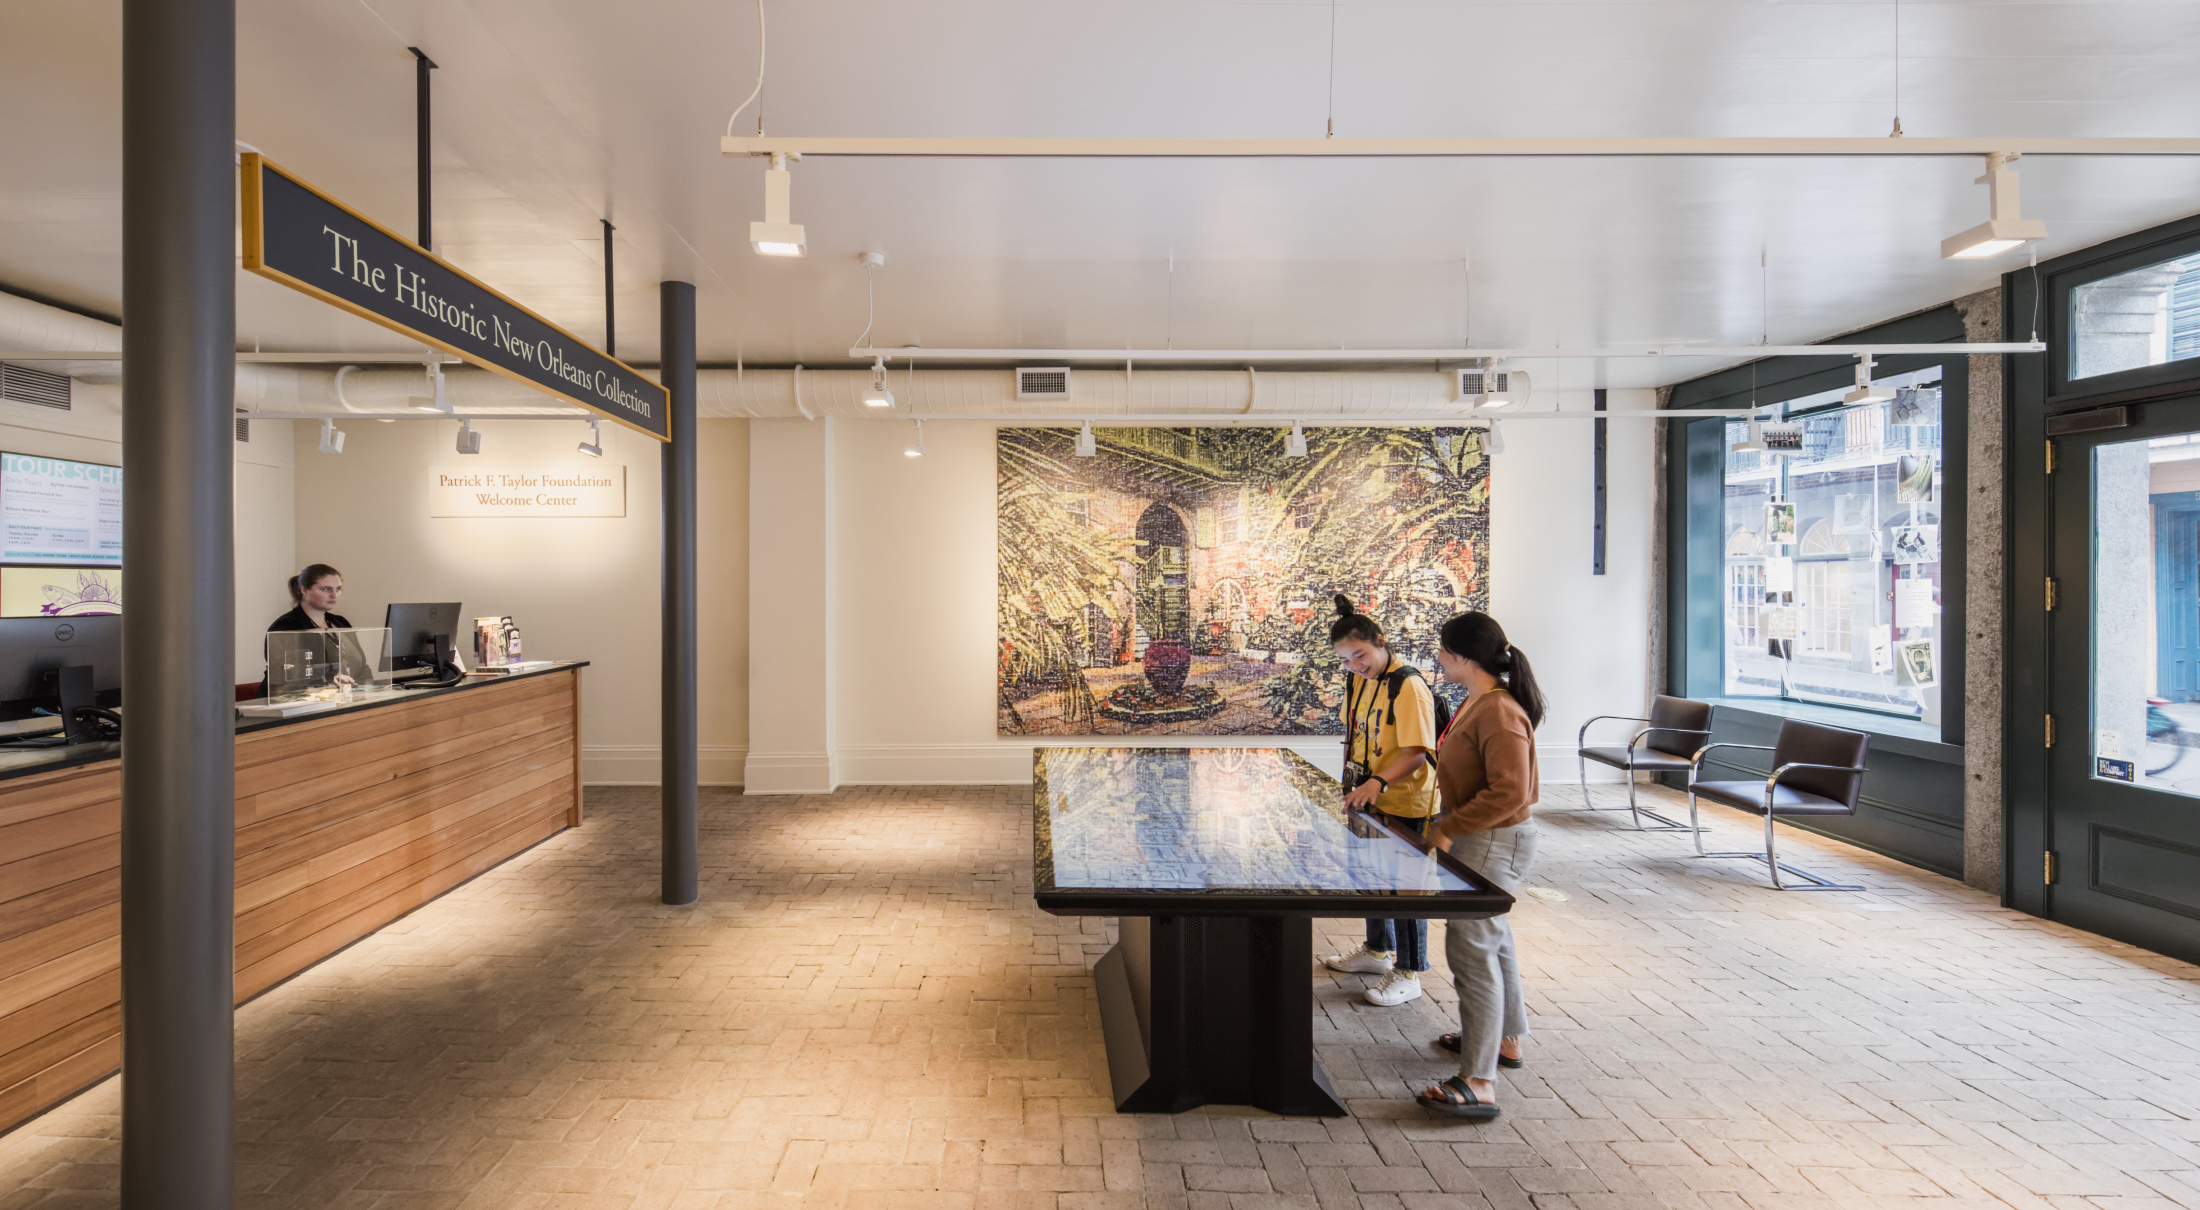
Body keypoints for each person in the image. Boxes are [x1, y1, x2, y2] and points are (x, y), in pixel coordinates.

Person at [1415, 610, 1545, 1121]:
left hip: (1492, 838)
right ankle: (1504, 1039)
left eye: (1443, 650)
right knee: (1494, 939)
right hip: (1484, 835)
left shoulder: (1498, 710)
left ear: (1462, 656)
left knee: (1472, 951)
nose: (1438, 657)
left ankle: (1478, 1081)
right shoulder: (1480, 701)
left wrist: (1449, 827)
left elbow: (1511, 790)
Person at [1318, 594, 1441, 1007]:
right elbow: (1355, 734)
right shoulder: (1358, 680)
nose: (1355, 665)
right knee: (1371, 877)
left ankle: (1409, 971)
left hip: (1406, 800)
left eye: (1361, 655)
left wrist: (1378, 783)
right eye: (1346, 660)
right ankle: (1376, 951)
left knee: (1405, 887)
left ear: (1380, 641)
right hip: (1367, 795)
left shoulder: (1409, 686)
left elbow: (1416, 754)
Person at [269, 563, 351, 633]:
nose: (334, 595)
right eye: (326, 589)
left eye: (338, 589)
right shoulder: (285, 626)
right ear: (304, 590)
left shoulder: (341, 622)